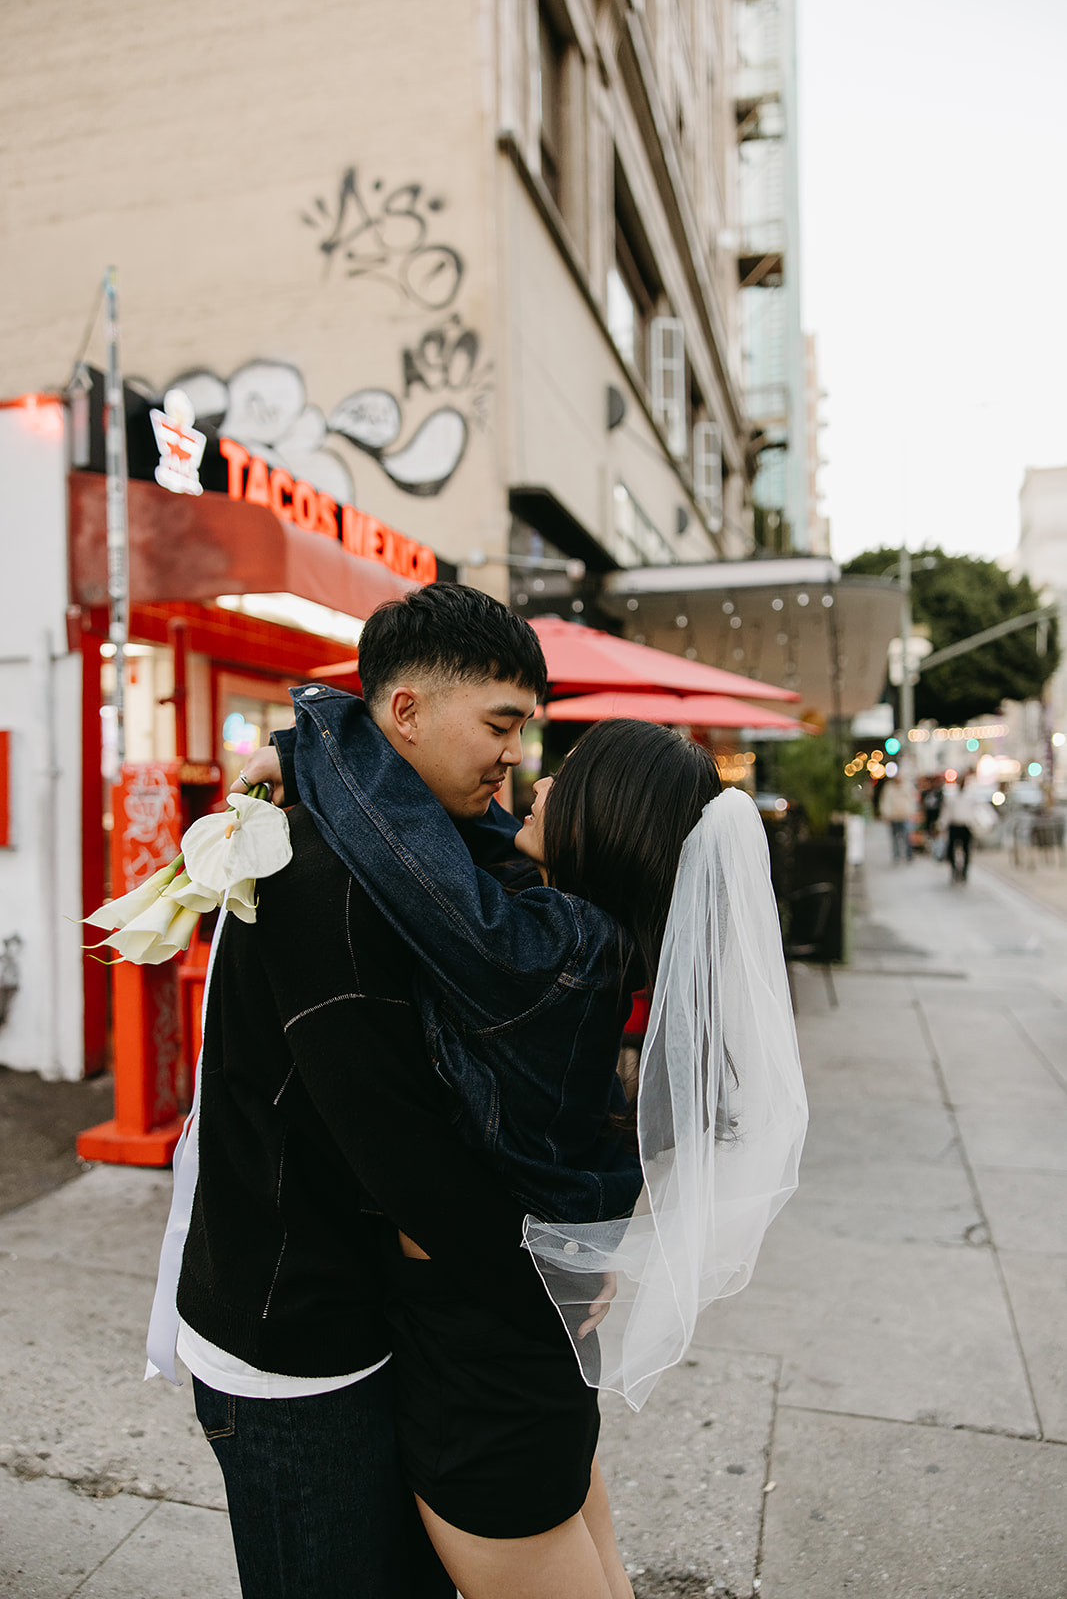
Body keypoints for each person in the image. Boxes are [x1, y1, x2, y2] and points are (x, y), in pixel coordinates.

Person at [244, 587, 807, 1598]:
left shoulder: (559, 952)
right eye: (510, 733)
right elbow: (446, 857)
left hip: (485, 1352)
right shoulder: (587, 936)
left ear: (608, 819)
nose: (530, 778)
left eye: (562, 770)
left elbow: (412, 869)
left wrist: (319, 734)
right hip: (520, 1333)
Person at [147, 585, 635, 1597]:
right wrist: (554, 1288)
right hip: (298, 1344)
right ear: (405, 713)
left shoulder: (402, 847)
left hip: (372, 1316)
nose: (513, 756)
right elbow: (409, 1156)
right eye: (498, 724)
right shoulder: (323, 882)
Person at [941, 771, 979, 883]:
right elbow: (946, 811)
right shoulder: (951, 795)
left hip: (966, 826)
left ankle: (964, 872)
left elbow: (976, 811)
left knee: (966, 850)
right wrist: (942, 824)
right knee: (952, 849)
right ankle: (954, 870)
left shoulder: (971, 795)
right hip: (954, 825)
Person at [880, 772, 917, 863]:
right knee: (895, 837)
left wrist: (911, 812)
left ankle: (908, 854)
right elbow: (885, 801)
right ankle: (896, 856)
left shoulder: (907, 786)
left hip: (905, 815)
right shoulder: (889, 788)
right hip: (894, 816)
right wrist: (886, 814)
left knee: (907, 836)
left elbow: (912, 800)